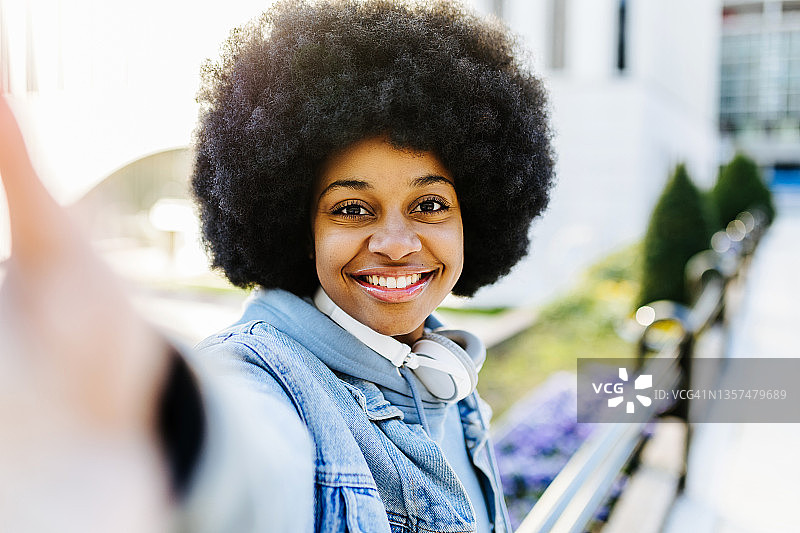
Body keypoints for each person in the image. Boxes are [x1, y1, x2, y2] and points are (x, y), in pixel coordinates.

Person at [190, 1, 554, 532]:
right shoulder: (254, 382)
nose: (396, 244)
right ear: (301, 229)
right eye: (352, 209)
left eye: (429, 204)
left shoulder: (445, 378)